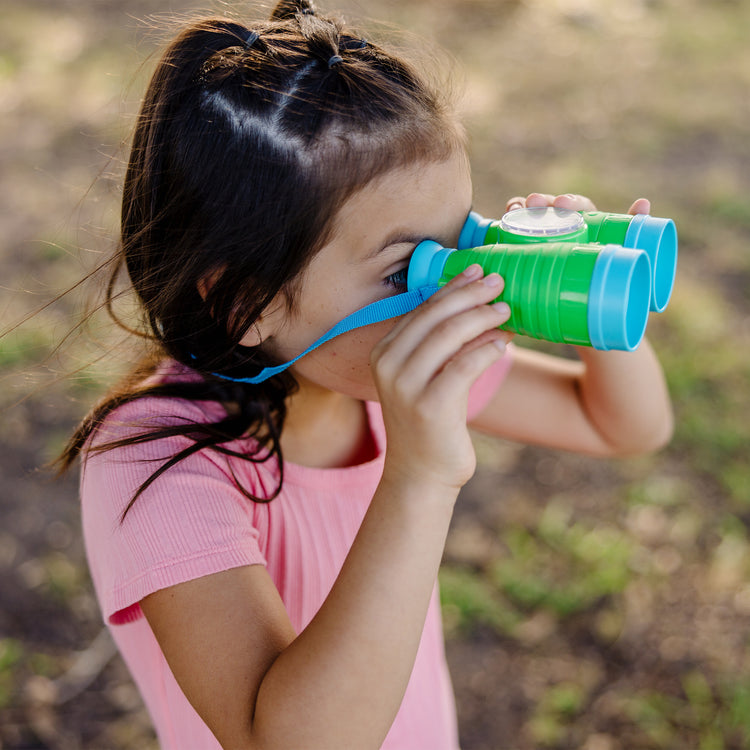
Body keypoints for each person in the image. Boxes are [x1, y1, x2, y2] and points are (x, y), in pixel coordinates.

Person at [58, 1, 674, 748]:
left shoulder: (381, 376)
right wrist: (416, 479)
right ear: (244, 301)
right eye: (408, 269)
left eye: (464, 241)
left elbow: (623, 425)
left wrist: (586, 290)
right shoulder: (154, 461)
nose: (452, 288)